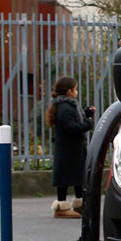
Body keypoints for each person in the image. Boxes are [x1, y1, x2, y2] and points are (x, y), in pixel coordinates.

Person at [45, 77, 94, 218]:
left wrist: (86, 114)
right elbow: (71, 127)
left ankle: (79, 204)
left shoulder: (67, 105)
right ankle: (62, 207)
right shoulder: (65, 107)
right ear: (69, 91)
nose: (77, 91)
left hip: (72, 147)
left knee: (77, 176)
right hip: (68, 147)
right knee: (65, 177)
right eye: (75, 89)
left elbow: (74, 121)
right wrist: (88, 124)